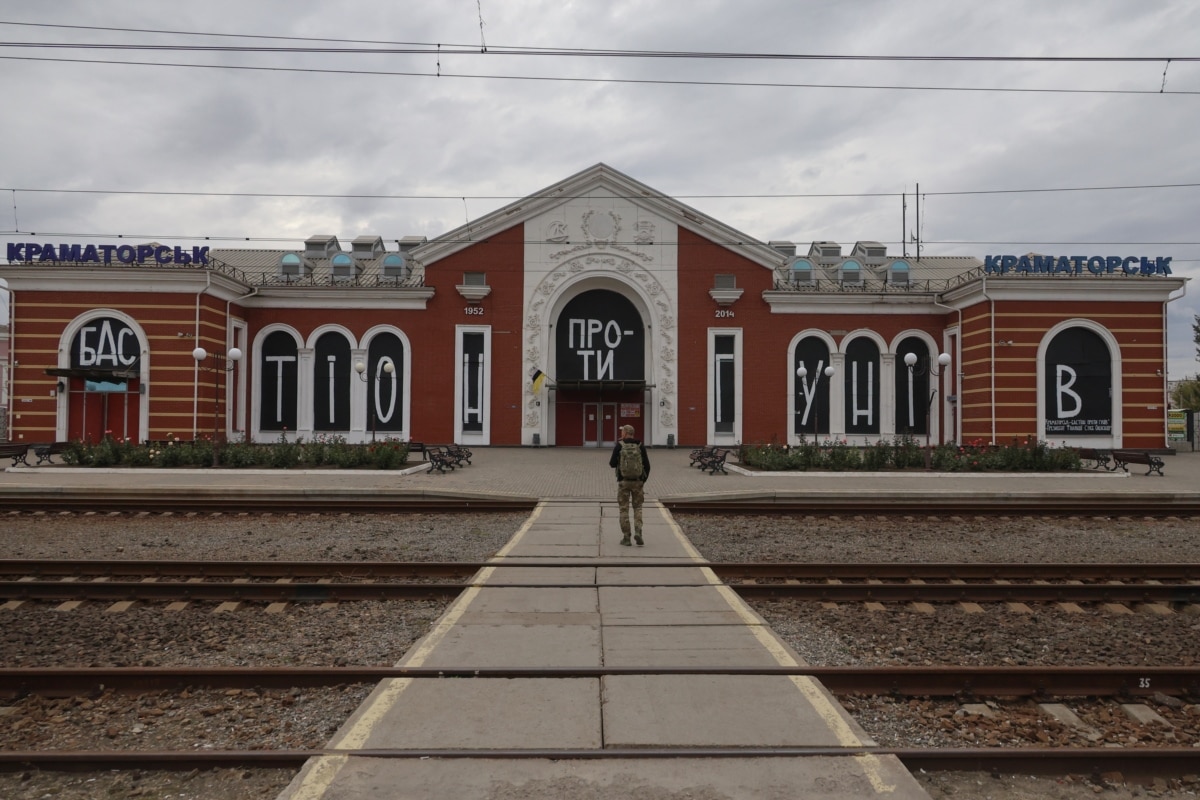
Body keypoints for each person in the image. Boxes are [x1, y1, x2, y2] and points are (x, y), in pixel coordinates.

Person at [609, 424, 650, 546]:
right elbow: (647, 466)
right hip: (637, 482)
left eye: (622, 432)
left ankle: (626, 538)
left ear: (625, 433)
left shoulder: (620, 445)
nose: (621, 434)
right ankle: (638, 532)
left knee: (623, 509)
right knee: (638, 508)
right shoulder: (640, 446)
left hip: (624, 482)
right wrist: (643, 480)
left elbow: (612, 463)